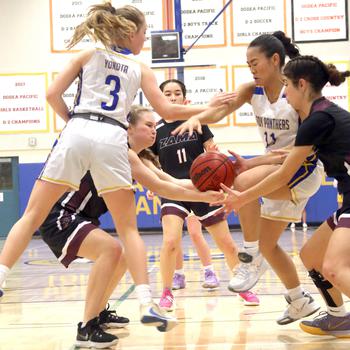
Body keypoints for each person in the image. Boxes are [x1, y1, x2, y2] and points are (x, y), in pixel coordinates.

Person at [0, 2, 234, 340]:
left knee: (31, 214)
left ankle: (2, 276)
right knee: (127, 232)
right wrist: (210, 107)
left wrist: (75, 122)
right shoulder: (139, 69)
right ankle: (145, 302)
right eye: (144, 33)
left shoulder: (88, 54)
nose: (145, 39)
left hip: (79, 129)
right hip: (111, 135)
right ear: (129, 33)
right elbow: (168, 108)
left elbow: (51, 94)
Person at [36, 104, 225, 348]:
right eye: (148, 125)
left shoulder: (137, 157)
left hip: (78, 216)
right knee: (112, 250)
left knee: (122, 256)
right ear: (129, 129)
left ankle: (98, 313)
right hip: (60, 215)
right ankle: (86, 328)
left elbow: (170, 181)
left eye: (155, 125)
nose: (154, 130)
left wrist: (209, 188)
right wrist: (204, 196)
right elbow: (163, 188)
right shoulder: (120, 152)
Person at [173, 32, 324, 324]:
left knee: (240, 182)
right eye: (247, 64)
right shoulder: (250, 90)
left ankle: (250, 256)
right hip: (274, 170)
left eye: (255, 63)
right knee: (271, 244)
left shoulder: (295, 91)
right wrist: (198, 118)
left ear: (275, 60)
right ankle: (299, 301)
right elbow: (219, 111)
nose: (251, 69)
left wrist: (253, 163)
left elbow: (300, 150)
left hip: (300, 168)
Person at [215, 55, 350, 338]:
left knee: (334, 268)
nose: (284, 92)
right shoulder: (321, 116)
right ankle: (339, 317)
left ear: (301, 85)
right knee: (311, 256)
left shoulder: (317, 119)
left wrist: (242, 197)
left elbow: (283, 174)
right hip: (347, 199)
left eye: (287, 85)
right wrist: (250, 165)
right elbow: (293, 154)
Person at [151, 79, 259, 311]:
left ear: (184, 97)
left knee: (228, 245)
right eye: (167, 94)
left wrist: (216, 158)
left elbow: (212, 150)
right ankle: (166, 292)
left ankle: (243, 287)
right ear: (160, 99)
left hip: (202, 187)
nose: (172, 97)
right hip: (173, 190)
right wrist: (153, 183)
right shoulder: (156, 130)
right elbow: (150, 161)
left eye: (177, 93)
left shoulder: (197, 122)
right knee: (170, 241)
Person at [173, 213, 220, 290]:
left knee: (195, 233)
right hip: (175, 201)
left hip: (190, 201)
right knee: (174, 236)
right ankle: (178, 274)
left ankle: (210, 272)